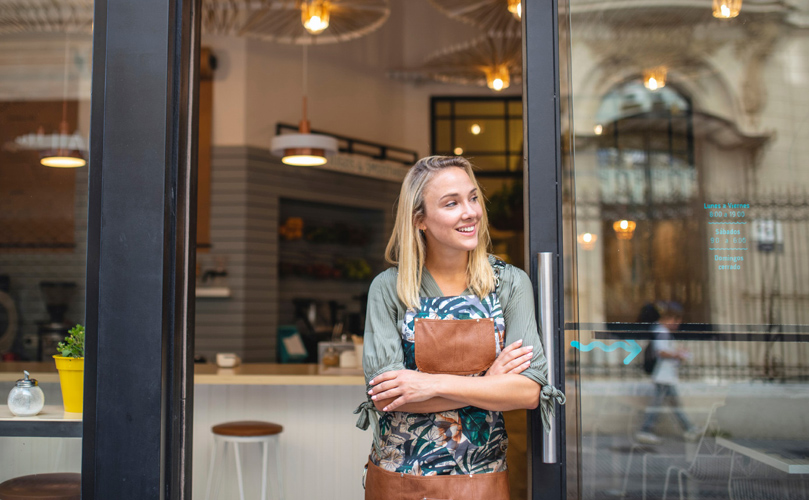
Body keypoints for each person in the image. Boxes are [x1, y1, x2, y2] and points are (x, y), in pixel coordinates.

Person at [353, 156, 565, 500]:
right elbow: (389, 398)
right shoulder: (389, 288)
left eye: (473, 198)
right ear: (419, 219)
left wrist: (428, 384)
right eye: (452, 203)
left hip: (481, 478)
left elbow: (527, 392)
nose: (470, 212)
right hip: (401, 479)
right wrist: (489, 384)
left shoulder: (509, 283)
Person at [635, 301, 699, 445]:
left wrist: (677, 354)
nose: (677, 324)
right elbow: (661, 352)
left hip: (666, 376)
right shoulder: (661, 331)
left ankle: (689, 428)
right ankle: (645, 431)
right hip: (662, 375)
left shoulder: (661, 331)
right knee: (658, 405)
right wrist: (678, 355)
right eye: (676, 320)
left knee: (673, 404)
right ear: (670, 319)